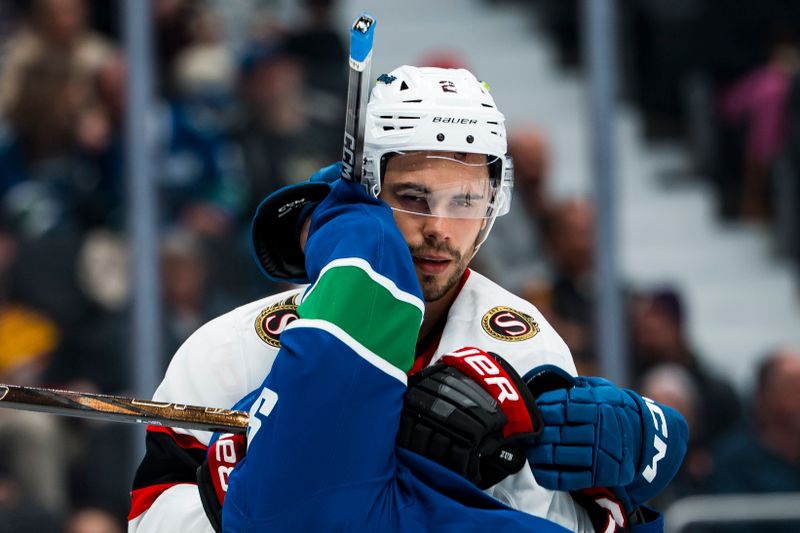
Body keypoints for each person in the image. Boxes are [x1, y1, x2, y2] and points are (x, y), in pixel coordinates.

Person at [129, 66, 686, 532]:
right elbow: (149, 515)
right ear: (367, 192)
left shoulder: (524, 346)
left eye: (466, 201)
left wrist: (636, 455)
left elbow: (555, 518)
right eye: (413, 198)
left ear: (494, 205)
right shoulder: (234, 348)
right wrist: (244, 482)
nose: (439, 228)